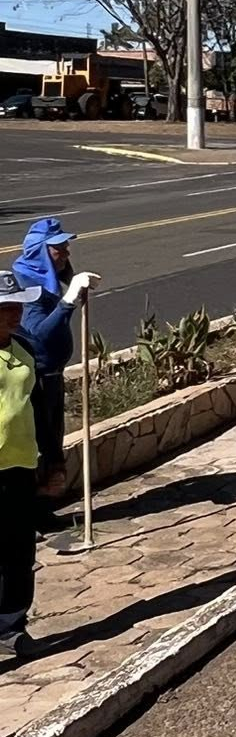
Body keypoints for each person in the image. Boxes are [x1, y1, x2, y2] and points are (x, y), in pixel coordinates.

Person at [1, 269, 59, 663]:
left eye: (18, 306)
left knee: (19, 549)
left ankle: (11, 626)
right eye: (6, 308)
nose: (15, 314)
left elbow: (41, 409)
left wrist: (51, 461)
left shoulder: (23, 350)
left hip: (20, 467)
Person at [13, 218, 96, 491]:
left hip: (52, 375)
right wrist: (67, 301)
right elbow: (38, 334)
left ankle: (45, 509)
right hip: (35, 379)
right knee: (37, 443)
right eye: (60, 248)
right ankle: (29, 514)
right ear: (41, 251)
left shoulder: (44, 280)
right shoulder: (28, 285)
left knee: (52, 441)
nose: (66, 253)